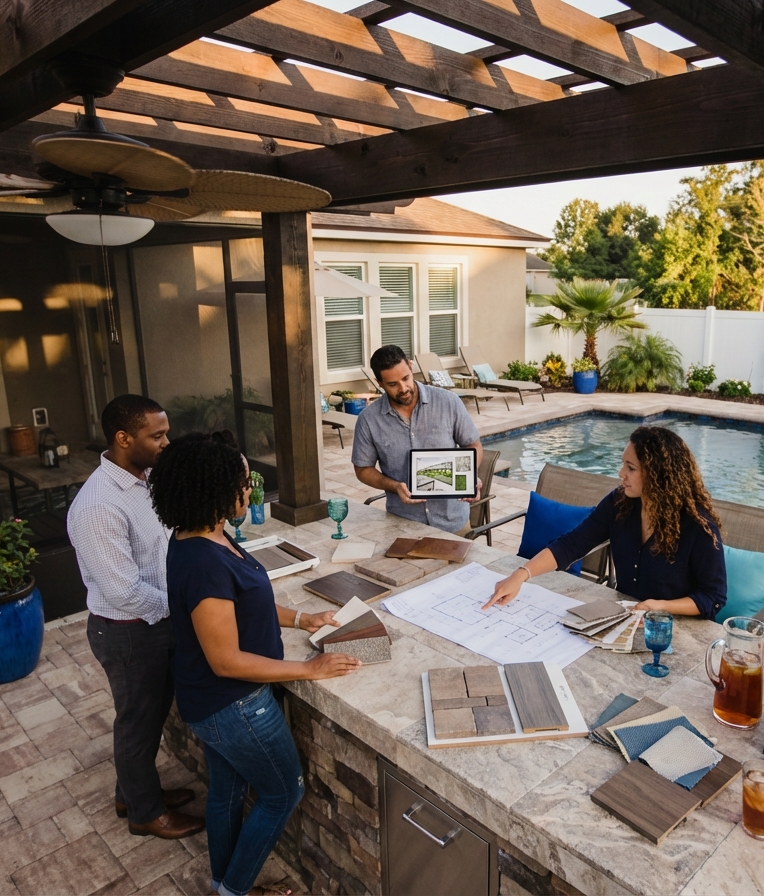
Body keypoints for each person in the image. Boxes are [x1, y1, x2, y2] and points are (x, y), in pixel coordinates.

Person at [151, 431, 361, 896]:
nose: (251, 489)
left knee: (226, 790)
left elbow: (245, 602)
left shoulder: (203, 534)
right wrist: (309, 669)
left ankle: (224, 884)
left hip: (211, 703)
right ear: (214, 489)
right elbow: (226, 661)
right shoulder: (204, 562)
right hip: (233, 705)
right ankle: (234, 889)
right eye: (244, 482)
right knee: (283, 792)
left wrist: (302, 618)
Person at [67, 395, 203, 839]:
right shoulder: (98, 506)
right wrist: (184, 609)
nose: (167, 443)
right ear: (124, 438)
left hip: (153, 624)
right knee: (137, 723)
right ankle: (145, 813)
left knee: (149, 718)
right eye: (157, 436)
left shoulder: (144, 480)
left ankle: (132, 793)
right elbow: (123, 591)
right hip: (128, 632)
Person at [484, 425, 727, 618]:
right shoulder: (620, 503)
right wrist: (521, 575)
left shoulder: (698, 525)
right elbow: (572, 544)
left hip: (677, 628)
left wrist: (660, 606)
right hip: (627, 617)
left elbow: (713, 597)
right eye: (623, 464)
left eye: (630, 468)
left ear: (658, 475)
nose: (621, 473)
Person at [352, 344, 483, 534]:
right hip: (402, 524)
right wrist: (394, 486)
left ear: (411, 366)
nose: (403, 388)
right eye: (392, 384)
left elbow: (473, 444)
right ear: (379, 383)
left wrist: (469, 476)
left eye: (406, 378)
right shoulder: (368, 419)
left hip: (453, 523)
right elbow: (363, 469)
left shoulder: (448, 402)